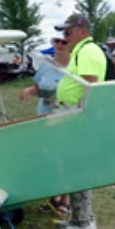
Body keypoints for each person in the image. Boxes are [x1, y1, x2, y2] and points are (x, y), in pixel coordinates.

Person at [53, 13, 107, 229]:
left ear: (82, 30)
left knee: (78, 168)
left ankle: (83, 222)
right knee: (75, 167)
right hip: (71, 112)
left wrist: (79, 116)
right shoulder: (82, 50)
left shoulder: (87, 51)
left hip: (76, 114)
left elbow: (90, 85)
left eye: (68, 32)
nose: (65, 37)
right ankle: (79, 219)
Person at [19, 37, 72, 215]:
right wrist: (29, 90)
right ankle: (53, 197)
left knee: (64, 157)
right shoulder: (46, 65)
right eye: (56, 41)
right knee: (48, 157)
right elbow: (38, 87)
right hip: (44, 116)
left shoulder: (75, 68)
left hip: (65, 117)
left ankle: (66, 199)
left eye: (64, 42)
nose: (59, 45)